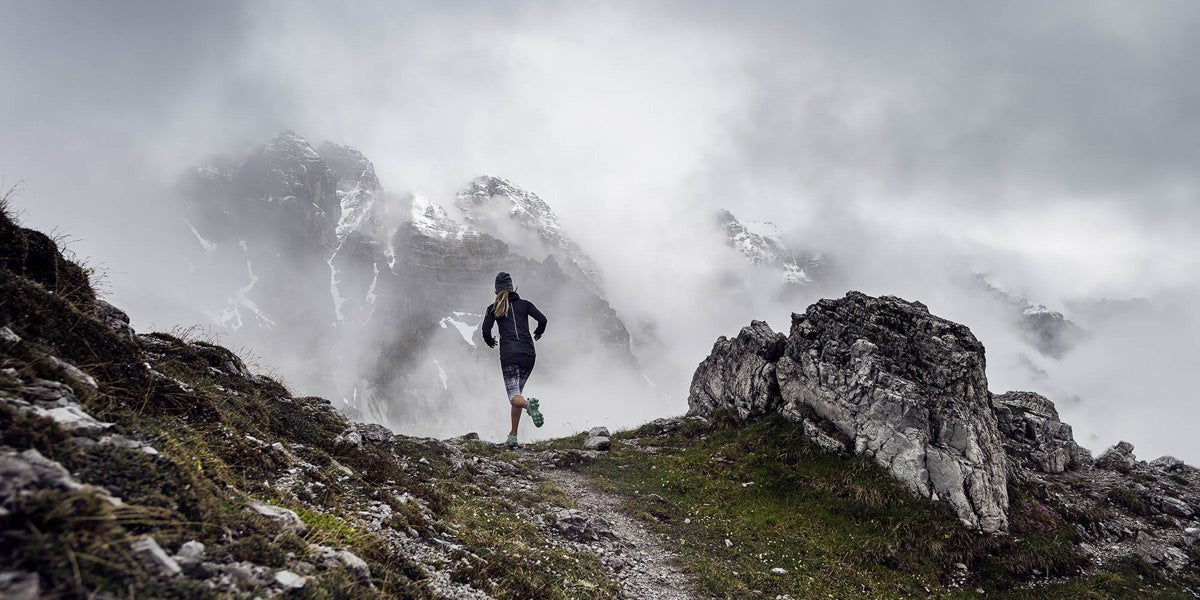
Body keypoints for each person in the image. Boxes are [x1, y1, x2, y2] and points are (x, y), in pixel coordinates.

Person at [481, 271, 547, 448]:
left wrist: (490, 342)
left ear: (496, 290)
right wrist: (538, 332)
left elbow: (486, 331)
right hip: (529, 355)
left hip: (509, 355)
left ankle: (529, 407)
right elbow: (543, 319)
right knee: (517, 393)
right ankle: (513, 436)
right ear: (512, 287)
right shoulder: (525, 304)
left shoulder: (493, 308)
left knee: (514, 397)